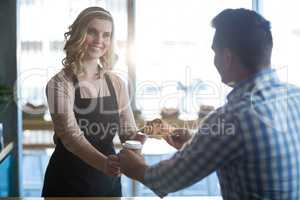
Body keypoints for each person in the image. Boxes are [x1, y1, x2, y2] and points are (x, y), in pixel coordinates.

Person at [119, 8, 300, 200]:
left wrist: (136, 167)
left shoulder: (231, 117)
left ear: (227, 57)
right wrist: (194, 142)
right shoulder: (295, 96)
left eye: (215, 52)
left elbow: (167, 180)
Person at [42, 7, 144, 197]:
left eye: (106, 35)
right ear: (79, 34)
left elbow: (128, 132)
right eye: (92, 32)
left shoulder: (116, 83)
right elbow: (71, 137)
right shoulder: (60, 83)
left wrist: (143, 136)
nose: (100, 40)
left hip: (108, 183)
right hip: (66, 183)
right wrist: (104, 163)